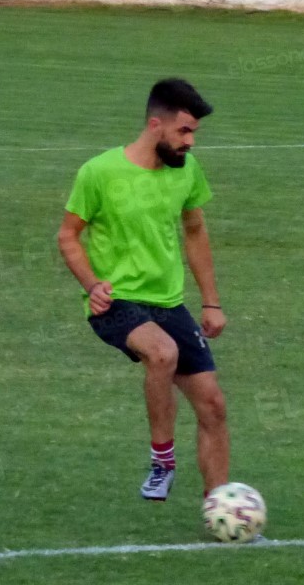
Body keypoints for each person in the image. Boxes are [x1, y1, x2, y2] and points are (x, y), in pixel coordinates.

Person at [57, 78, 229, 499]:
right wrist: (92, 285)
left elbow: (195, 230)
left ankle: (221, 508)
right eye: (183, 131)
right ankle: (162, 462)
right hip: (115, 302)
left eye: (194, 133)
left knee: (213, 406)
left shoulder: (187, 170)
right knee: (162, 352)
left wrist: (211, 303)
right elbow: (68, 235)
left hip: (168, 303)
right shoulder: (99, 173)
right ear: (156, 125)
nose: (190, 142)